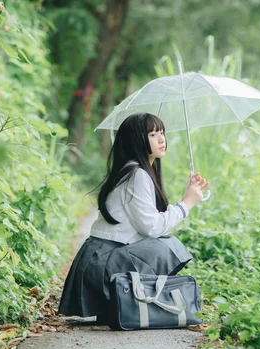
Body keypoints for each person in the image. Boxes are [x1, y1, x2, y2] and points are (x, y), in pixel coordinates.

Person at [58, 112, 209, 322]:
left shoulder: (133, 171)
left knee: (163, 244)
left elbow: (149, 224)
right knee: (166, 247)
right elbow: (153, 228)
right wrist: (187, 203)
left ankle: (132, 300)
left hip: (99, 259)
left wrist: (187, 195)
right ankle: (128, 300)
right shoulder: (136, 175)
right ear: (136, 139)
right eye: (153, 134)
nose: (162, 139)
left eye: (162, 133)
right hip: (102, 263)